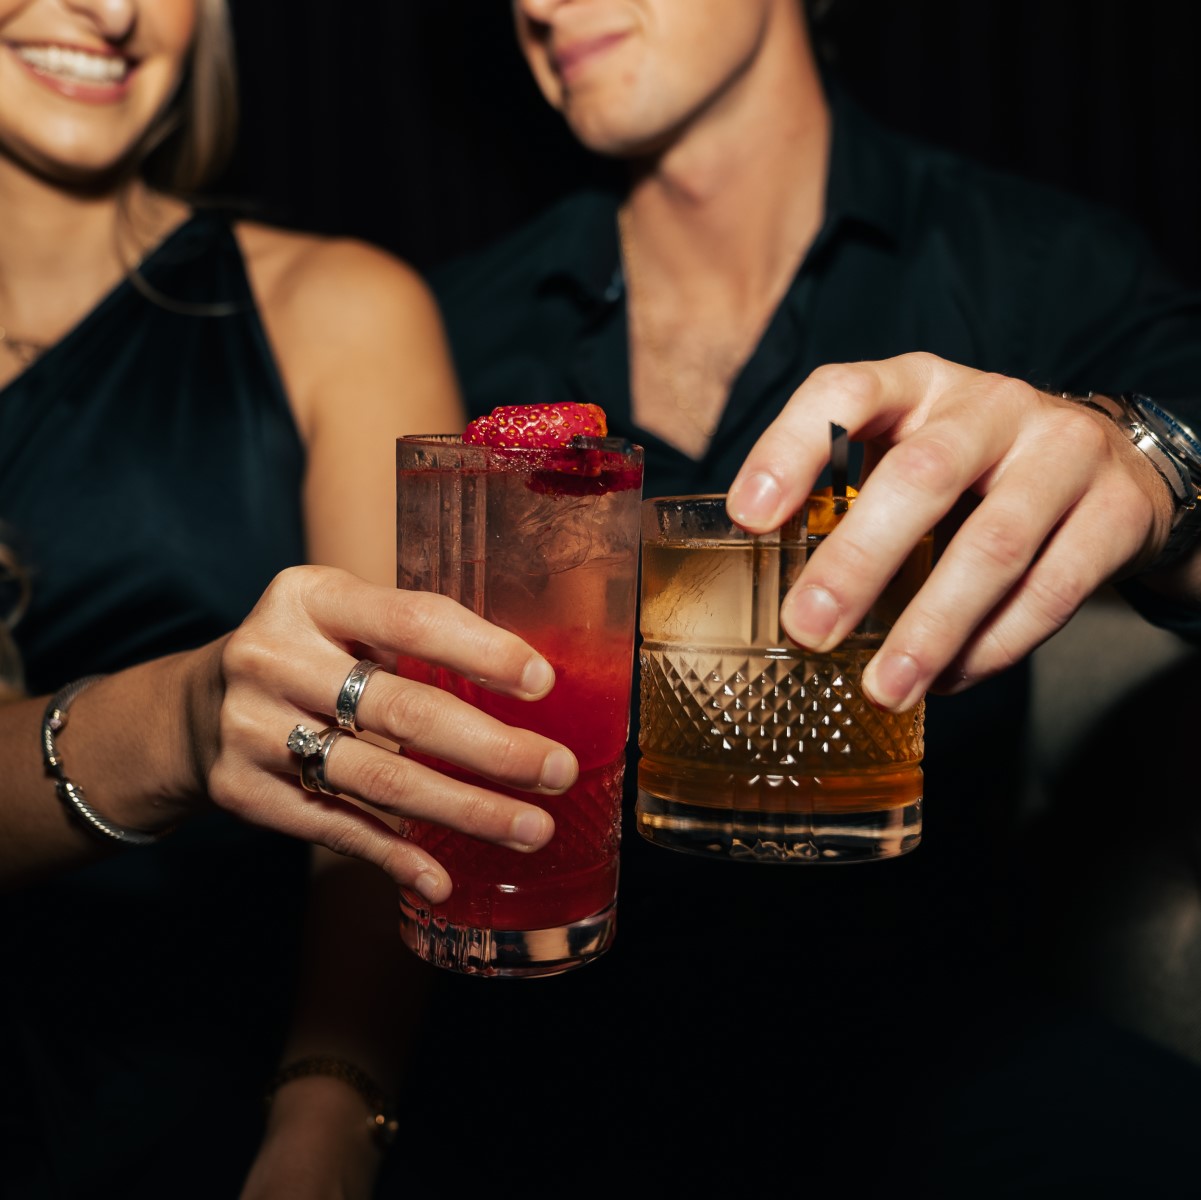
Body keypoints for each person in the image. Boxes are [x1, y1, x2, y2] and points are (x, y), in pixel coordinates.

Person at [395, 0, 1201, 1193]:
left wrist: (1147, 465)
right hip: (531, 1084)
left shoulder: (1023, 259)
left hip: (930, 1068)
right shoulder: (447, 324)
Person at [0, 2, 572, 1196]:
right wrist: (175, 719)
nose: (108, 12)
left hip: (208, 1091)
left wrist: (328, 1108)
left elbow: (395, 780)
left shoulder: (340, 309)